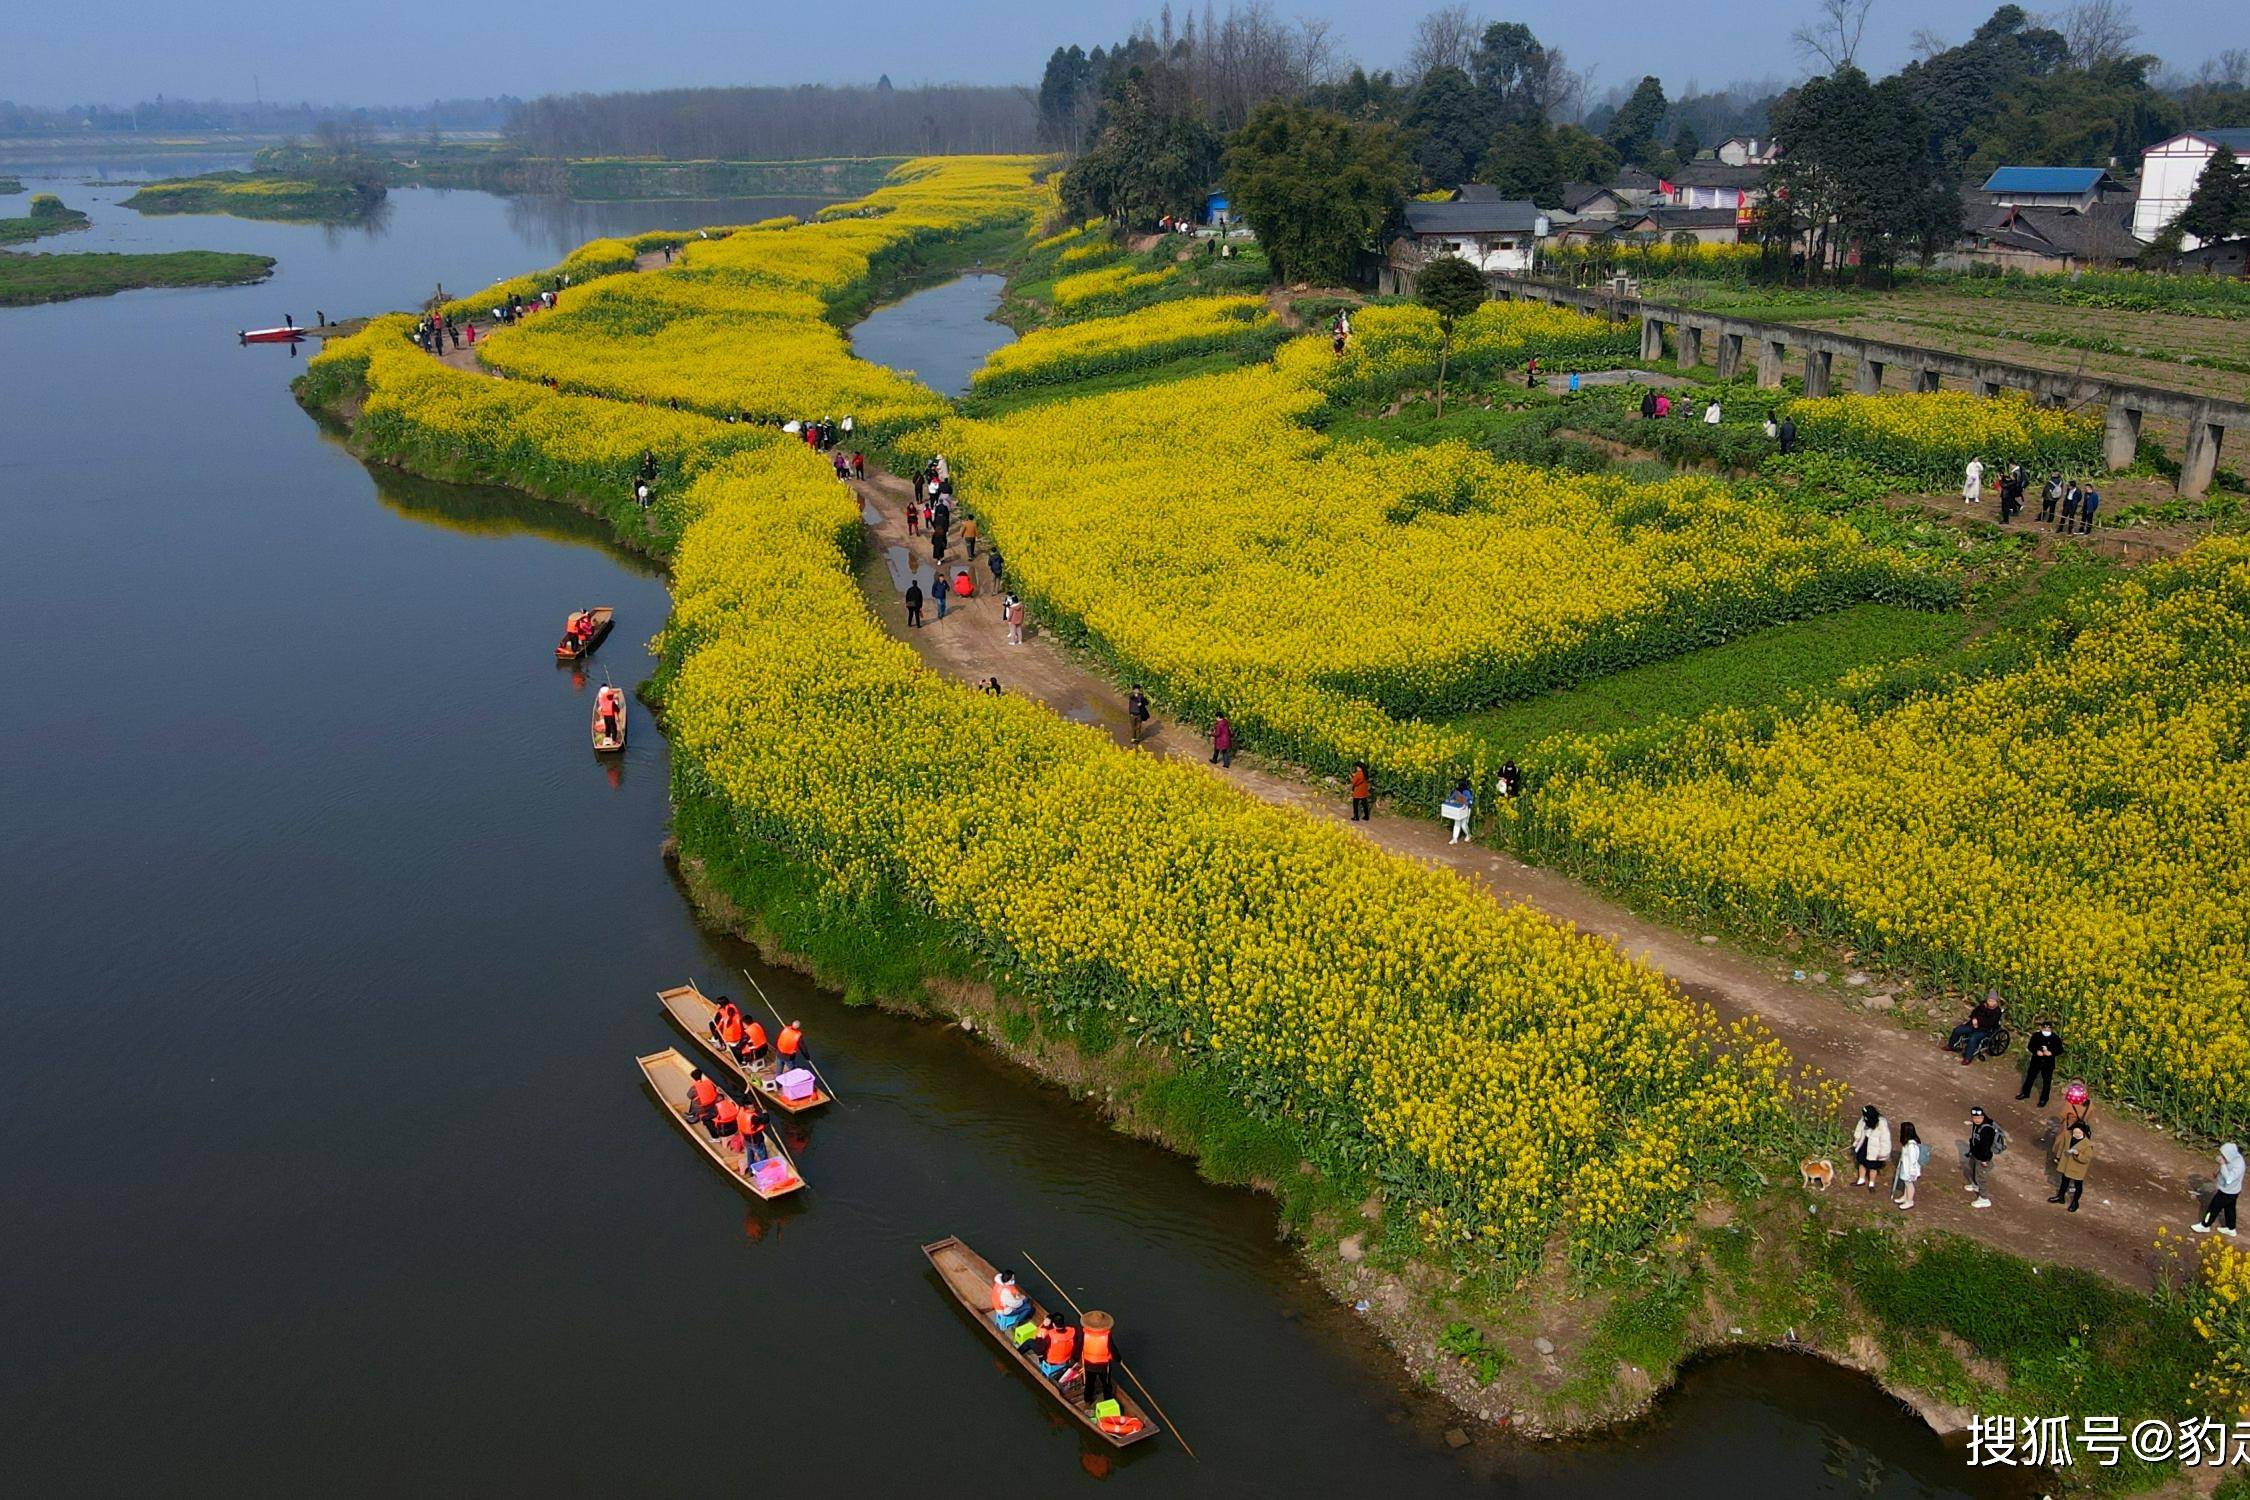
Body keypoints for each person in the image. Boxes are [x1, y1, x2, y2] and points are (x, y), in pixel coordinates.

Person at [2196, 1144, 2244, 1235]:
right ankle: (2231, 1228)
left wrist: (2222, 1164)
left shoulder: (2239, 1166)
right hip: (2233, 1191)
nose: (2222, 1156)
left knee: (2213, 1208)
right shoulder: (2233, 1157)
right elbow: (2226, 1164)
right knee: (2230, 1209)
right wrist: (2218, 1171)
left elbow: (2229, 1179)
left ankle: (2205, 1225)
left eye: (2223, 1155)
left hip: (2227, 1192)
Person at [1946, 991, 2005, 1064]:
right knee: (1958, 1030)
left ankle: (1967, 1058)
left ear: (1996, 1002)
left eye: (1993, 1001)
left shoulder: (1997, 1012)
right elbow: (1974, 1013)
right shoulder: (1982, 1006)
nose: (1991, 1003)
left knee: (1973, 1038)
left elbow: (1990, 1023)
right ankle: (1950, 1046)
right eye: (1989, 1000)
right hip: (1973, 1025)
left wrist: (1978, 1023)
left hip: (1985, 1030)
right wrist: (1974, 1019)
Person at [2017, 1019, 2063, 1107]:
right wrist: (2036, 1051)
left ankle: (2043, 1099)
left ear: (2051, 1029)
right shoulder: (2036, 1036)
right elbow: (2030, 1046)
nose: (2046, 1030)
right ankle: (2025, 1093)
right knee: (2030, 1077)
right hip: (2036, 1060)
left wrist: (2051, 1053)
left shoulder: (2055, 1038)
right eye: (2045, 1028)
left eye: (2048, 1029)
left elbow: (2060, 1050)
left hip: (2048, 1063)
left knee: (2046, 1082)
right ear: (2041, 1028)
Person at [2048, 1122, 2092, 1211]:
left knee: (2078, 1184)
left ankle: (2075, 1202)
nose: (2076, 1134)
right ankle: (2061, 1196)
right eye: (2075, 1132)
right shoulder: (2068, 1135)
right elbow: (2062, 1146)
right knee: (2064, 1180)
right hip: (2067, 1163)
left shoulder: (2087, 1144)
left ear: (2083, 1132)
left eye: (2079, 1133)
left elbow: (2086, 1159)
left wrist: (2077, 1154)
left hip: (2078, 1167)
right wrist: (2058, 1156)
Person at [1962, 1107, 1999, 1208]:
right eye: (1974, 1118)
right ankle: (1975, 1185)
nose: (1977, 1120)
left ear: (1983, 1117)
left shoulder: (1986, 1130)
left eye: (1979, 1118)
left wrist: (1984, 1160)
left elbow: (1986, 1147)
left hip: (1983, 1158)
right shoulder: (1977, 1124)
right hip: (1975, 1154)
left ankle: (1984, 1198)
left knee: (1981, 1177)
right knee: (1973, 1169)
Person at [1080, 1311, 1118, 1408]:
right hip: (1103, 1366)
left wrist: (1076, 1359)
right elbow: (1113, 1349)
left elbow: (1079, 1346)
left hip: (1089, 1364)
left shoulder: (1085, 1334)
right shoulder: (1106, 1336)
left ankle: (1087, 1400)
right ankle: (1108, 1402)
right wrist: (1118, 1359)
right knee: (1106, 1384)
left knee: (1089, 1383)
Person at [1850, 1104, 1892, 1189]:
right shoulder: (1863, 1119)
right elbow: (1859, 1129)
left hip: (1875, 1150)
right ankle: (1861, 1179)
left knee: (1873, 1167)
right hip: (1864, 1143)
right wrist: (1857, 1140)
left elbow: (1885, 1140)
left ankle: (1871, 1183)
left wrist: (1883, 1153)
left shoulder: (1882, 1124)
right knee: (1861, 1162)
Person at [1892, 1122, 1925, 1210]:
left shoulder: (1911, 1146)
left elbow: (1913, 1159)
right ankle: (1905, 1197)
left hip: (1910, 1170)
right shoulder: (1908, 1143)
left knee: (1909, 1184)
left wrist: (1912, 1171)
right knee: (1906, 1184)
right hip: (1905, 1167)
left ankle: (1909, 1201)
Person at [1036, 1316, 1080, 1382]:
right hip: (1065, 1361)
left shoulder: (1050, 1335)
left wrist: (1039, 1338)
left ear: (1053, 1324)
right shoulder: (1072, 1331)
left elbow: (1040, 1350)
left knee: (1039, 1351)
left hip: (1052, 1363)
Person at [733, 1096, 773, 1164]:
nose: (754, 1109)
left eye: (753, 1107)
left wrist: (745, 1095)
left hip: (746, 1139)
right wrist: (765, 1113)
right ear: (747, 1109)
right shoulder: (753, 1118)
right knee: (762, 1153)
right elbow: (765, 1120)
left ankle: (750, 1166)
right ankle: (764, 1165)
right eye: (752, 1108)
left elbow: (742, 1102)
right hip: (755, 1140)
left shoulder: (741, 1111)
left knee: (750, 1154)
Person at [1441, 778, 1475, 844]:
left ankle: (1469, 835)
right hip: (1458, 809)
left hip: (1466, 809)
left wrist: (1467, 804)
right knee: (1457, 823)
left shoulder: (1466, 792)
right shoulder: (1456, 791)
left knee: (1463, 824)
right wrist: (1447, 801)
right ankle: (1454, 838)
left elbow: (1470, 801)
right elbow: (1451, 798)